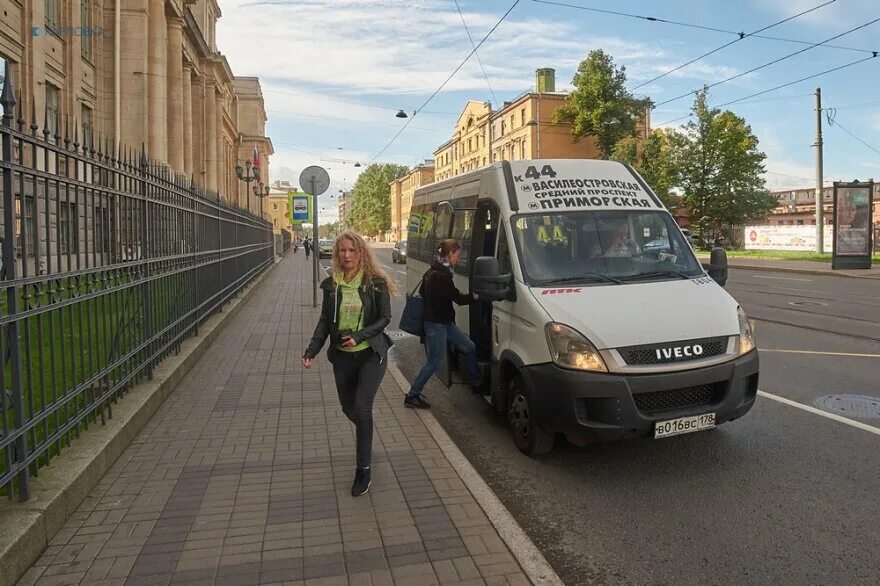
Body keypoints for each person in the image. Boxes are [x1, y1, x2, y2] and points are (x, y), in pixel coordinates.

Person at [302, 231, 395, 496]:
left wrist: (358, 336)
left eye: (352, 250)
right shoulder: (332, 285)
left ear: (361, 252)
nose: (346, 255)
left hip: (370, 354)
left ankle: (363, 470)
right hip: (342, 357)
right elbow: (324, 323)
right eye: (342, 251)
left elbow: (385, 318)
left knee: (363, 409)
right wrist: (312, 349)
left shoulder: (375, 283)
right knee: (348, 408)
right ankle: (366, 433)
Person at [405, 239, 483, 409]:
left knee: (469, 347)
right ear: (450, 254)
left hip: (445, 323)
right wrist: (477, 297)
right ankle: (412, 395)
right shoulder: (441, 276)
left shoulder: (433, 271)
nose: (458, 259)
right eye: (457, 255)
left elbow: (422, 292)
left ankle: (476, 383)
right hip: (435, 325)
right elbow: (458, 298)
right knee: (434, 361)